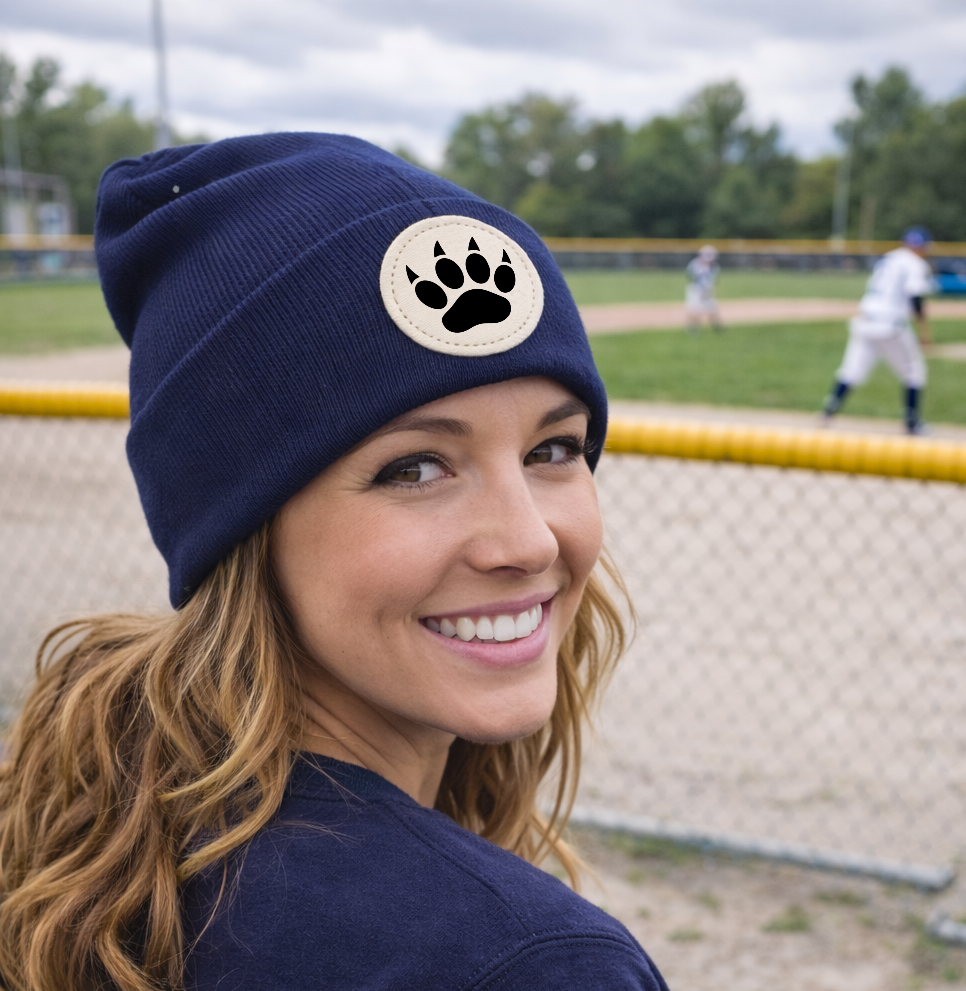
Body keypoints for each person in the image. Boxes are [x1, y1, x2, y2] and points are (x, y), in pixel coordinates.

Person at [0, 135, 669, 991]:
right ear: (242, 524)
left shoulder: (100, 834)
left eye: (554, 447)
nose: (531, 541)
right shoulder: (522, 963)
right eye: (414, 467)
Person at [822, 227, 935, 435]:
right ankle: (912, 423)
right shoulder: (916, 264)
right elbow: (916, 300)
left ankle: (828, 412)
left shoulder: (889, 257)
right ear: (922, 247)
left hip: (865, 320)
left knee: (851, 370)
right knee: (914, 371)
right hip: (890, 324)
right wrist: (924, 333)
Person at [685, 244, 723, 333]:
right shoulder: (694, 264)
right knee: (694, 310)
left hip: (707, 290)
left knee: (712, 308)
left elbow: (713, 279)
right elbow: (690, 277)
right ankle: (692, 330)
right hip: (696, 289)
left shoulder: (715, 267)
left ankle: (718, 329)